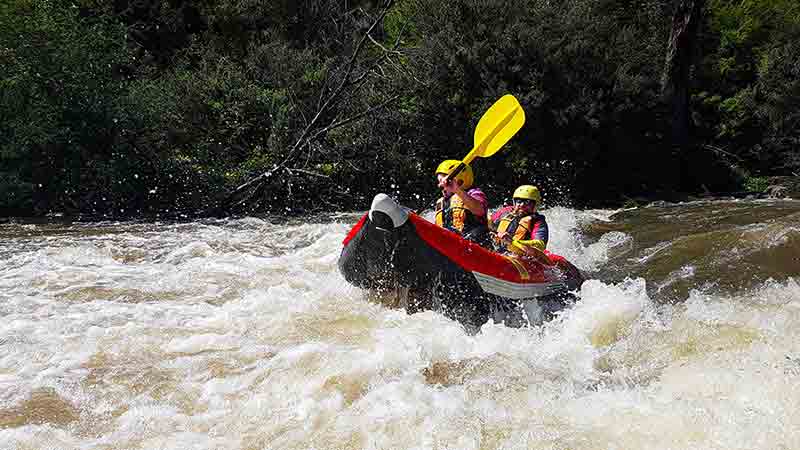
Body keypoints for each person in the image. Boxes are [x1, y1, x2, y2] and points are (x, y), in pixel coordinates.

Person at [434, 160, 490, 244]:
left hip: (474, 245)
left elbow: (479, 210)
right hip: (450, 244)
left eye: (442, 181)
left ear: (459, 181)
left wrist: (457, 190)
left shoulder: (473, 193)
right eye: (439, 182)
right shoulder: (442, 202)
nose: (440, 185)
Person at [490, 185, 549, 258]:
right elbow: (488, 222)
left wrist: (512, 242)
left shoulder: (537, 221)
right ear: (514, 202)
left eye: (527, 202)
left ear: (535, 204)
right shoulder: (504, 212)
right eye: (519, 201)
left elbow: (540, 244)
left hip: (520, 256)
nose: (522, 205)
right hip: (497, 250)